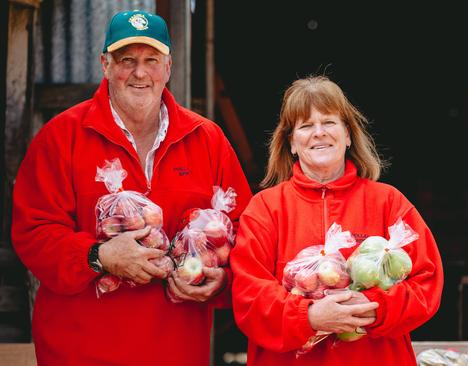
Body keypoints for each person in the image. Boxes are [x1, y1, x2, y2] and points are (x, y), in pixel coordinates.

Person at [11, 10, 252, 365]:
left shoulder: (207, 140)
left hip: (177, 353)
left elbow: (248, 237)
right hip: (79, 352)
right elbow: (32, 233)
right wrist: (99, 256)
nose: (140, 73)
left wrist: (221, 280)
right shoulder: (61, 137)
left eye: (151, 60)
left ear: (168, 68)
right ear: (104, 65)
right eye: (127, 60)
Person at [230, 75, 444, 365]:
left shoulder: (389, 203)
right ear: (291, 143)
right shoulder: (265, 209)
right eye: (305, 126)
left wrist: (376, 308)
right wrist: (309, 316)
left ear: (348, 135)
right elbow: (249, 297)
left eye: (329, 122)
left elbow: (427, 282)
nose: (319, 133)